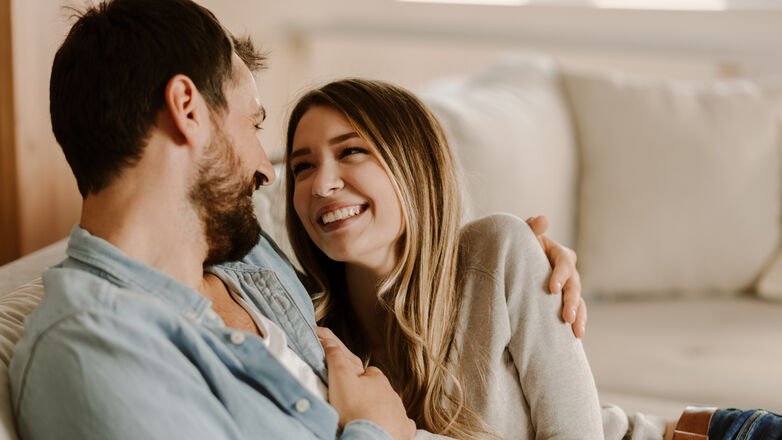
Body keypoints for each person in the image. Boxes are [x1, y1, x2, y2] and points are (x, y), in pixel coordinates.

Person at [8, 1, 587, 439]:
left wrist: (515, 262)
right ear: (187, 110)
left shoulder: (242, 252)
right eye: (253, 125)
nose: (268, 169)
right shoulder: (94, 352)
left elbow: (386, 236)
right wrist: (374, 432)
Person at [283, 78, 782, 440]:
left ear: (414, 169)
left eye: (350, 153)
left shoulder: (499, 251)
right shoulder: (300, 324)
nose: (321, 184)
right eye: (302, 166)